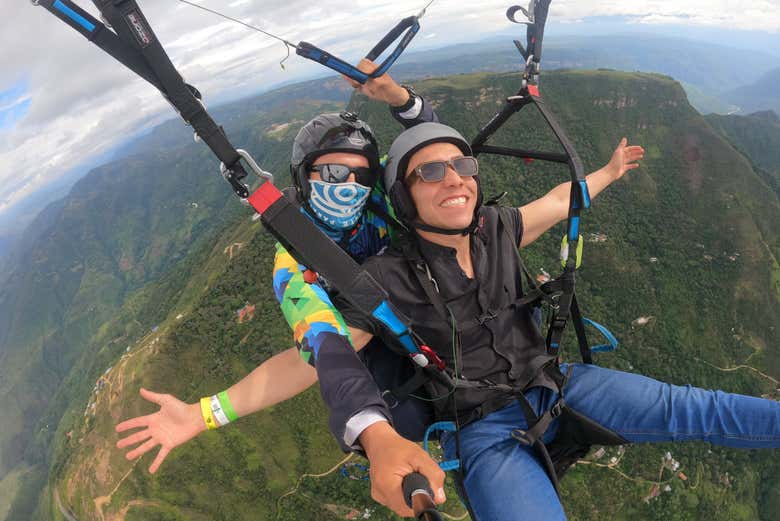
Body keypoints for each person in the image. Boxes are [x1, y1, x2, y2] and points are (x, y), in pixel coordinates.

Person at [310, 122, 780, 520]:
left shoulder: (495, 228)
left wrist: (609, 173)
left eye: (463, 166)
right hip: (483, 430)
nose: (453, 179)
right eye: (430, 172)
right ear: (404, 197)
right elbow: (322, 348)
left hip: (558, 384)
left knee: (696, 408)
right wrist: (233, 405)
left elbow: (559, 201)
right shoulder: (383, 278)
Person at [115, 59, 438, 471]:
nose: (350, 186)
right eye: (334, 173)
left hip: (437, 311)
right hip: (387, 346)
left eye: (362, 174)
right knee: (407, 418)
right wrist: (205, 413)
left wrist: (398, 98)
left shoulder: (380, 200)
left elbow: (434, 151)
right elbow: (324, 343)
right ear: (305, 175)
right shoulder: (295, 261)